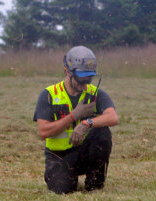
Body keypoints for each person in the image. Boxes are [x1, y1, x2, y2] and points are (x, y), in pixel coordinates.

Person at [33, 46, 119, 194]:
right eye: (80, 79)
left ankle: (95, 185)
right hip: (58, 157)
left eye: (89, 79)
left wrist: (87, 123)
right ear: (67, 72)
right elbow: (43, 132)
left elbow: (113, 117)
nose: (84, 84)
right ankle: (67, 178)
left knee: (102, 131)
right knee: (64, 190)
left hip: (84, 153)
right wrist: (74, 116)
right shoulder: (49, 95)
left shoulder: (95, 93)